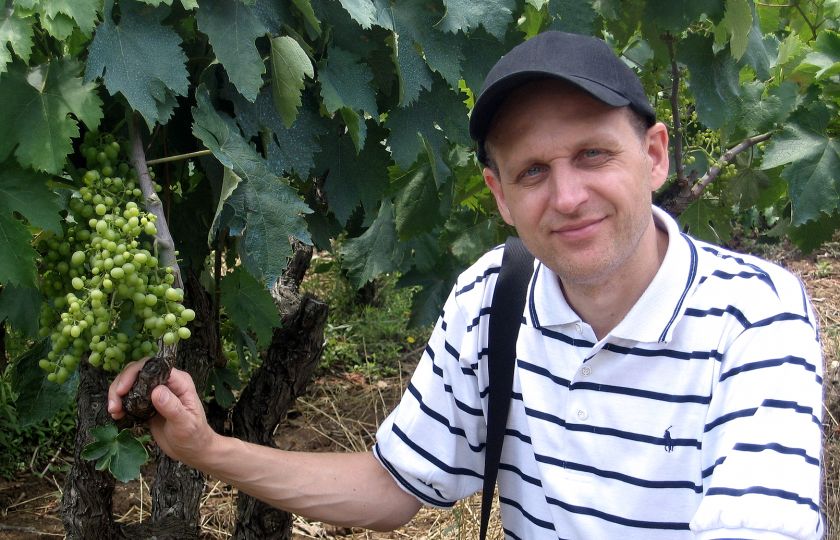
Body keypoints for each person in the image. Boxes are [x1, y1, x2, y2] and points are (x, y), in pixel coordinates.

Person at [109, 31, 824, 539]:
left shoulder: (755, 314)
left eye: (593, 154)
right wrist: (208, 449)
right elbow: (390, 487)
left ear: (655, 155)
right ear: (500, 195)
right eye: (533, 171)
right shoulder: (492, 298)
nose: (568, 196)